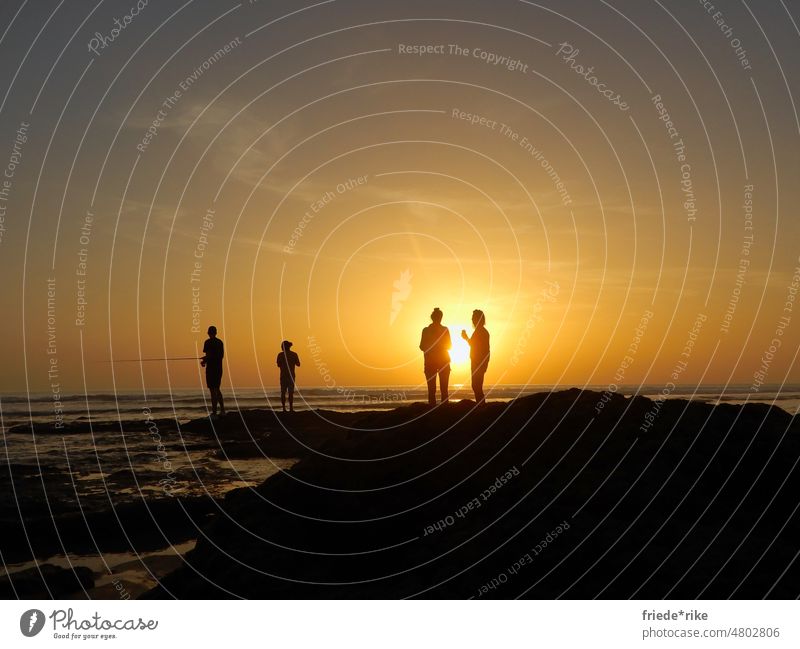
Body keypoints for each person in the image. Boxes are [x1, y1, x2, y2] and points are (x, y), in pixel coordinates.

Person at [419, 307, 452, 406]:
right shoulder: (444, 330)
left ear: (432, 317)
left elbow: (422, 346)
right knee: (443, 389)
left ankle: (433, 408)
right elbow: (449, 345)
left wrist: (431, 348)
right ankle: (444, 408)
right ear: (440, 318)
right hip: (441, 361)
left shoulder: (426, 330)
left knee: (432, 389)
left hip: (431, 361)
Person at [461, 310, 490, 405]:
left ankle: (481, 406)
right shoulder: (480, 331)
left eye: (474, 318)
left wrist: (465, 338)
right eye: (472, 318)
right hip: (477, 361)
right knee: (476, 386)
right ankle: (481, 405)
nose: (472, 320)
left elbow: (475, 345)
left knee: (476, 385)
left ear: (478, 319)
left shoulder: (481, 331)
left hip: (478, 362)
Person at [200, 325, 225, 417]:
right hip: (219, 368)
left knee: (212, 390)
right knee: (217, 389)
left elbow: (208, 355)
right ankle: (222, 410)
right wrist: (205, 360)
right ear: (216, 332)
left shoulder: (207, 342)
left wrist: (204, 361)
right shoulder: (220, 342)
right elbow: (220, 356)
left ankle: (214, 412)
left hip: (211, 369)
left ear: (208, 333)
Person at [276, 340, 301, 412]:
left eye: (282, 346)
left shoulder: (280, 355)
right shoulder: (294, 354)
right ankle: (291, 408)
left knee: (283, 392)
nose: (281, 347)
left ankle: (284, 408)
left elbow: (278, 365)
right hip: (291, 376)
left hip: (283, 375)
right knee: (291, 392)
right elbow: (298, 364)